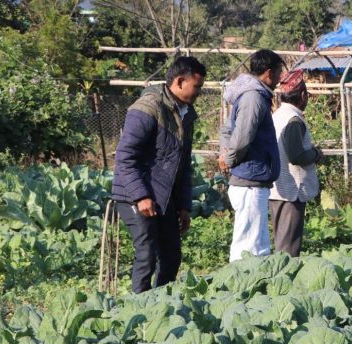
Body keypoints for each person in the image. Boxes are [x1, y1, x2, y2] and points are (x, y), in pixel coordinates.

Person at [111, 56, 206, 293]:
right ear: (180, 81)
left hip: (163, 196)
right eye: (197, 86)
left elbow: (183, 165)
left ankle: (161, 304)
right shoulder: (148, 107)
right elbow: (124, 157)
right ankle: (138, 308)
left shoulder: (186, 114)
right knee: (147, 255)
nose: (199, 92)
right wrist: (141, 196)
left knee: (172, 255)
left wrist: (183, 206)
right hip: (134, 194)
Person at [218, 49, 283, 262]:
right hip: (249, 181)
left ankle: (251, 280)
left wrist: (225, 154)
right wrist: (228, 159)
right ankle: (240, 281)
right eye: (279, 72)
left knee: (256, 244)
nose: (280, 78)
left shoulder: (251, 95)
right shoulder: (254, 97)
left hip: (252, 180)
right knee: (248, 246)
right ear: (268, 73)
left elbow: (227, 130)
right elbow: (242, 137)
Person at [269, 69, 323, 256]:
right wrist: (316, 154)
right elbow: (296, 156)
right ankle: (285, 274)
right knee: (288, 248)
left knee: (282, 241)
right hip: (292, 192)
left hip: (279, 189)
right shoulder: (293, 120)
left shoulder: (277, 115)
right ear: (302, 95)